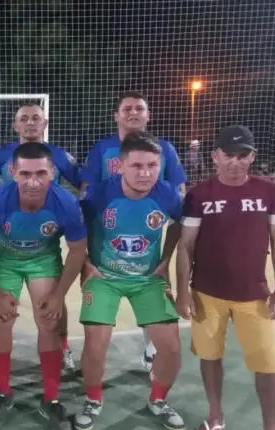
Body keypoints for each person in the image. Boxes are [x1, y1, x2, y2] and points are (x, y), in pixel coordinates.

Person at [175, 125, 275, 430]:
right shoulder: (198, 194)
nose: (235, 162)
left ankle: (271, 427)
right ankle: (215, 416)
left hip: (254, 294)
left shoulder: (269, 192)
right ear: (215, 156)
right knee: (209, 357)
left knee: (267, 365)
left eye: (242, 155)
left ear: (252, 157)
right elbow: (185, 246)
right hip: (206, 293)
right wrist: (183, 291)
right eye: (228, 155)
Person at [0, 142, 88, 428]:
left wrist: (59, 295)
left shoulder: (67, 203)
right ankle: (3, 392)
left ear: (52, 173)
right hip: (5, 259)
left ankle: (51, 398)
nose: (33, 182)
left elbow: (77, 251)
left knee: (48, 322)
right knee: (1, 322)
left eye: (40, 173)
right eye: (25, 174)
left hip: (43, 259)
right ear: (12, 172)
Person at [75, 131, 185, 430]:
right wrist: (85, 262)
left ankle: (158, 400)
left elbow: (179, 224)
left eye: (152, 165)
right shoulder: (99, 194)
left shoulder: (167, 194)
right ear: (120, 165)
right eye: (137, 165)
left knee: (171, 348)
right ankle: (93, 399)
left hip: (148, 278)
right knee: (96, 345)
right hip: (104, 277)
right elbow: (75, 227)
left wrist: (165, 260)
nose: (145, 173)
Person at [0, 102, 82, 372]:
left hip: (44, 239)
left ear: (45, 124)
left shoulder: (58, 156)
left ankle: (63, 346)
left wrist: (74, 216)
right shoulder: (3, 155)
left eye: (36, 118)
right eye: (24, 118)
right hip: (7, 241)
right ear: (15, 125)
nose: (30, 123)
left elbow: (83, 185)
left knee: (53, 299)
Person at [83, 91, 187, 372]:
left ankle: (151, 349)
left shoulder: (165, 149)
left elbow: (178, 190)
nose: (133, 113)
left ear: (148, 115)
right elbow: (87, 190)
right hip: (107, 227)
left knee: (150, 284)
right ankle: (93, 360)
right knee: (101, 300)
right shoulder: (103, 149)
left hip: (147, 224)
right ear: (116, 115)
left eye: (139, 108)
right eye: (127, 108)